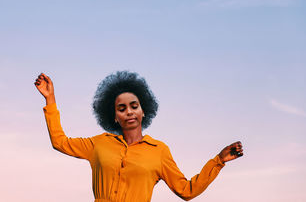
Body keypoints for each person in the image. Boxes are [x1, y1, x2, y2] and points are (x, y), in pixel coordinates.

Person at [34, 71, 243, 202]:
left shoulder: (159, 151)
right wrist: (50, 99)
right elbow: (59, 142)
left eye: (134, 106)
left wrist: (219, 161)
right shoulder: (99, 144)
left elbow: (186, 190)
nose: (129, 112)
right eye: (122, 108)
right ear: (115, 116)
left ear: (144, 111)